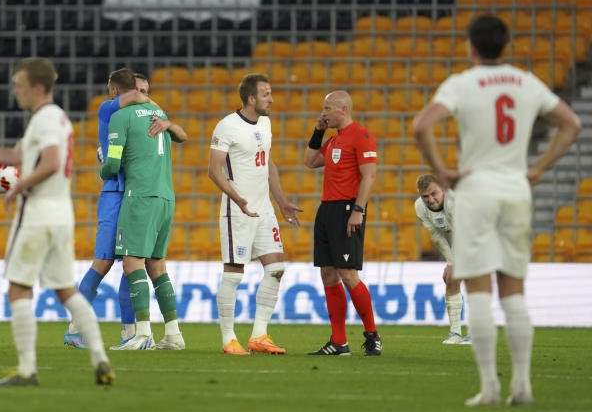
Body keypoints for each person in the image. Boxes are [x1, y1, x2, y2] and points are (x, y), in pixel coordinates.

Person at [413, 15, 581, 407]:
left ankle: (490, 387)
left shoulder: (462, 83)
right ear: (505, 46)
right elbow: (570, 123)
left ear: (471, 46)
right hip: (515, 190)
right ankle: (522, 385)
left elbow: (422, 126)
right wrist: (538, 168)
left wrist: (442, 171)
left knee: (478, 290)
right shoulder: (526, 81)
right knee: (513, 292)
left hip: (475, 190)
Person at [0, 57, 114, 386]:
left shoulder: (46, 119)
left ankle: (26, 370)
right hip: (62, 214)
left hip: (37, 214)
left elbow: (50, 162)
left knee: (19, 288)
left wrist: (19, 186)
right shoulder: (53, 119)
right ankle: (100, 359)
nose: (15, 91)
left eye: (19, 85)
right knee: (66, 291)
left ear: (37, 87)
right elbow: (16, 156)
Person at [65, 69, 187, 350]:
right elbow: (134, 99)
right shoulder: (109, 108)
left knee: (134, 263)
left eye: (147, 90)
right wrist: (149, 103)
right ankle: (76, 326)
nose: (145, 97)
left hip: (137, 193)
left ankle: (129, 332)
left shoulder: (143, 114)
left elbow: (180, 133)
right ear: (119, 92)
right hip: (115, 193)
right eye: (140, 91)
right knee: (104, 261)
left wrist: (166, 121)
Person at [208, 73, 301, 356]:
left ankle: (259, 334)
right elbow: (214, 170)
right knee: (234, 274)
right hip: (238, 210)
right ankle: (228, 339)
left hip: (264, 209)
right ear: (251, 98)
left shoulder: (266, 123)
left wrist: (281, 201)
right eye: (266, 94)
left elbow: (268, 163)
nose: (271, 99)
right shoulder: (227, 126)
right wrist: (239, 200)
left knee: (276, 268)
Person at [99, 90, 183, 350]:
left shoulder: (120, 116)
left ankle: (143, 333)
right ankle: (173, 334)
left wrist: (102, 165)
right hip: (166, 197)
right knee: (157, 265)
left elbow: (112, 165)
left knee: (132, 262)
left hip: (140, 196)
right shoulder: (160, 115)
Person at [303, 90, 381, 356]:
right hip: (327, 209)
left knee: (348, 274)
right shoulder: (335, 140)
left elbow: (369, 176)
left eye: (328, 108)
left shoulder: (362, 135)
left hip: (349, 208)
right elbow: (310, 161)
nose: (323, 113)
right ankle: (339, 342)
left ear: (344, 109)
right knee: (328, 273)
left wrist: (358, 210)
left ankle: (372, 335)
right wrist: (318, 132)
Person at [413, 173, 469, 345]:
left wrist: (453, 263)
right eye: (425, 196)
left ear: (443, 189)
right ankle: (455, 333)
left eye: (434, 193)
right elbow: (436, 236)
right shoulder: (419, 207)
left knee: (475, 280)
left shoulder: (454, 202)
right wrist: (451, 263)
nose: (430, 199)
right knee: (450, 278)